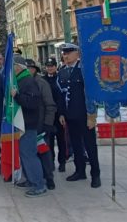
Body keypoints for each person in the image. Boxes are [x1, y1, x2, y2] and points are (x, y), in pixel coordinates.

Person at [58, 43, 101, 188]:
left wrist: (92, 115)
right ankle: (80, 171)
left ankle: (95, 174)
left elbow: (92, 94)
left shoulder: (84, 70)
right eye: (64, 53)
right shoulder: (62, 71)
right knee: (76, 145)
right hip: (70, 115)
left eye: (69, 53)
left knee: (90, 146)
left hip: (84, 115)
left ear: (77, 54)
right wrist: (62, 113)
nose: (66, 56)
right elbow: (61, 95)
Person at [11, 56, 46, 197]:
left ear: (18, 67)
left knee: (29, 155)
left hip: (28, 124)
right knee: (24, 154)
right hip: (23, 123)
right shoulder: (21, 80)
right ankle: (30, 180)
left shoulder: (28, 81)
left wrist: (16, 96)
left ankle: (39, 185)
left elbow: (32, 102)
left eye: (12, 66)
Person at [27, 59, 59, 191]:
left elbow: (50, 105)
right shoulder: (22, 83)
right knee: (30, 154)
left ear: (35, 69)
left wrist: (48, 124)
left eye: (30, 68)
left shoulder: (41, 83)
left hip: (41, 126)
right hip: (28, 126)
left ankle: (49, 178)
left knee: (44, 153)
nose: (28, 70)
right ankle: (32, 178)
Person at [43, 57, 68, 172]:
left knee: (61, 140)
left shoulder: (60, 79)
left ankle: (62, 162)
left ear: (55, 66)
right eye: (48, 66)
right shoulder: (43, 79)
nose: (50, 68)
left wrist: (62, 114)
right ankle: (51, 161)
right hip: (47, 115)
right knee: (49, 140)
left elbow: (62, 98)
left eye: (52, 66)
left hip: (58, 114)